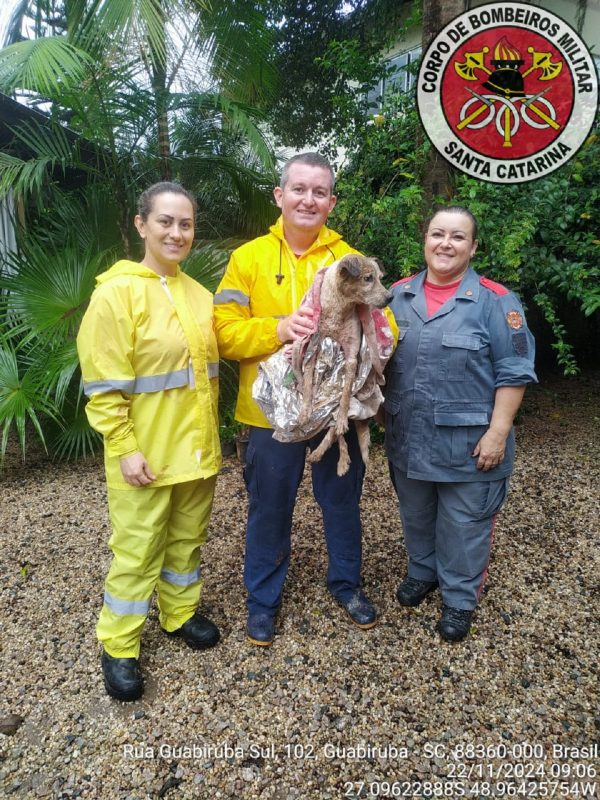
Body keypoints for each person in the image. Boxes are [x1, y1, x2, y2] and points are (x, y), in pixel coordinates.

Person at [214, 152, 397, 646]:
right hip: (268, 412)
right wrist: (277, 329)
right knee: (268, 506)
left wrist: (357, 348)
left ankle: (347, 585)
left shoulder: (350, 260)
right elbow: (224, 334)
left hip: (334, 411)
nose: (308, 199)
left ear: (332, 202)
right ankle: (262, 602)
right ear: (280, 195)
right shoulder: (247, 259)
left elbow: (385, 327)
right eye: (299, 189)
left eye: (319, 192)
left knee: (342, 501)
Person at [77, 182, 222, 701]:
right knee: (137, 552)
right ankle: (118, 645)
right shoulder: (116, 294)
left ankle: (179, 614)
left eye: (185, 224)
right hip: (145, 455)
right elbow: (102, 384)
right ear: (141, 225)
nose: (177, 233)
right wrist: (125, 446)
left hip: (196, 452)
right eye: (166, 221)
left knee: (186, 544)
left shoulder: (200, 296)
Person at [385, 206, 537, 642]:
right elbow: (375, 358)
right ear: (425, 240)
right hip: (408, 438)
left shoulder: (495, 300)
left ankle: (459, 598)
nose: (445, 244)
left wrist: (498, 432)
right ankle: (423, 571)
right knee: (415, 515)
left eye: (457, 237)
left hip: (471, 445)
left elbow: (514, 371)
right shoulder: (397, 295)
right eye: (437, 234)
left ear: (473, 247)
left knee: (464, 524)